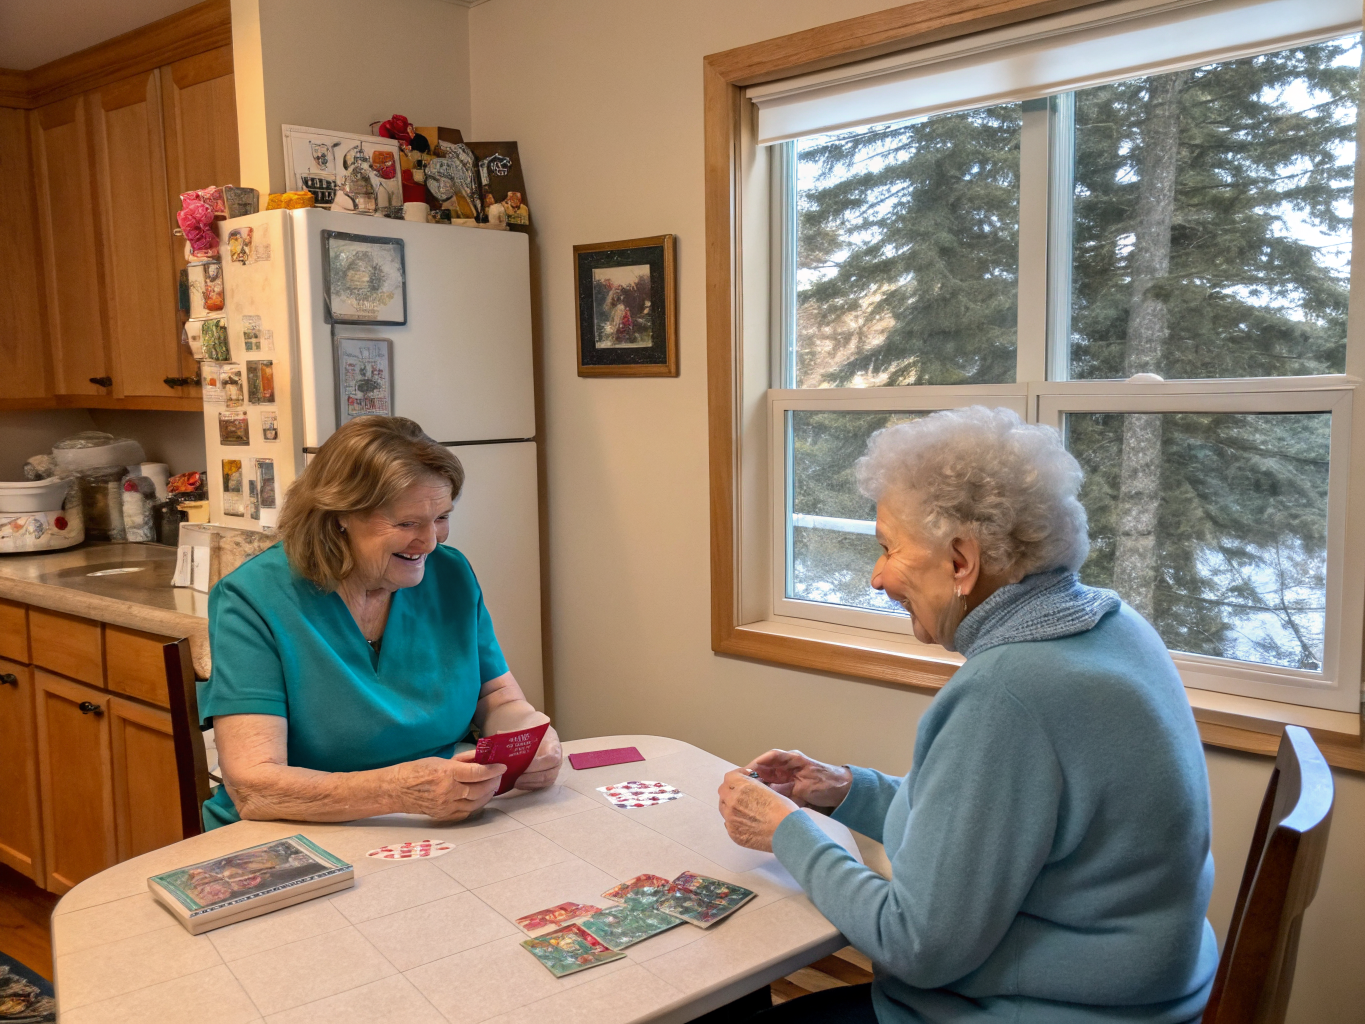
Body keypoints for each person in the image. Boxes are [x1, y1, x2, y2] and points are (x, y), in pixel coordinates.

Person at [717, 406, 1217, 1024]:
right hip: (1141, 992)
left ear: (961, 561)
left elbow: (917, 945)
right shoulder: (1114, 625)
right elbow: (996, 828)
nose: (876, 578)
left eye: (888, 548)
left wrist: (786, 832)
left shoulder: (1007, 693)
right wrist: (847, 791)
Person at [201, 415, 559, 829]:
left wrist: (532, 739)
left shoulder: (451, 574)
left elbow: (498, 697)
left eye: (441, 516)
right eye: (407, 523)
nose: (430, 541)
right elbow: (254, 785)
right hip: (297, 828)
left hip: (438, 820)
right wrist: (395, 791)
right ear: (339, 514)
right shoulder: (254, 599)